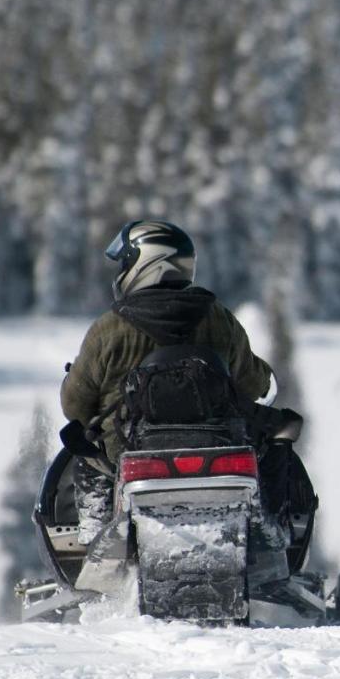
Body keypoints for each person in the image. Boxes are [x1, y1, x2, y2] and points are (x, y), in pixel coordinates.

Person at [61, 220, 276, 543]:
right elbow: (255, 385)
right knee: (273, 452)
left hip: (128, 454)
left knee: (83, 453)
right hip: (218, 450)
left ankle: (96, 535)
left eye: (125, 262)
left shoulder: (108, 329)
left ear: (145, 263)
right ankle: (268, 534)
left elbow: (74, 407)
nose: (120, 271)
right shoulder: (220, 319)